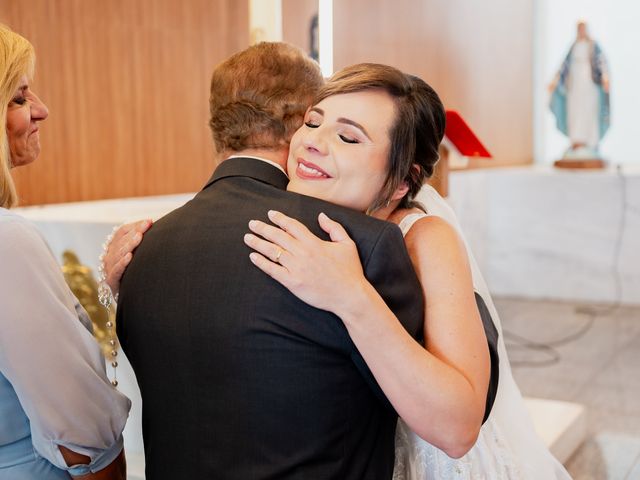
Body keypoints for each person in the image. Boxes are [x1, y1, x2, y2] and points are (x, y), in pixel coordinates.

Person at [114, 43, 443, 480]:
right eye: (314, 121)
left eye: (346, 134)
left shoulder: (141, 247)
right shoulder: (357, 245)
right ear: (299, 121)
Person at [242, 65, 570, 479]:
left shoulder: (425, 238)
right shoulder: (298, 214)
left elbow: (457, 429)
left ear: (401, 181)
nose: (312, 143)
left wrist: (351, 296)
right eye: (312, 122)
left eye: (347, 137)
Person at [0, 25, 131, 479]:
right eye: (18, 98)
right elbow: (81, 435)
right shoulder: (7, 242)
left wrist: (102, 294)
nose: (42, 110)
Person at [549, 20, 610, 159]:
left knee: (589, 110)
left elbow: (601, 63)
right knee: (575, 111)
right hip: (574, 85)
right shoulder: (573, 47)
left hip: (589, 84)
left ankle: (590, 142)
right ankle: (577, 142)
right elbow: (564, 66)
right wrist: (555, 80)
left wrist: (605, 77)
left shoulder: (593, 46)